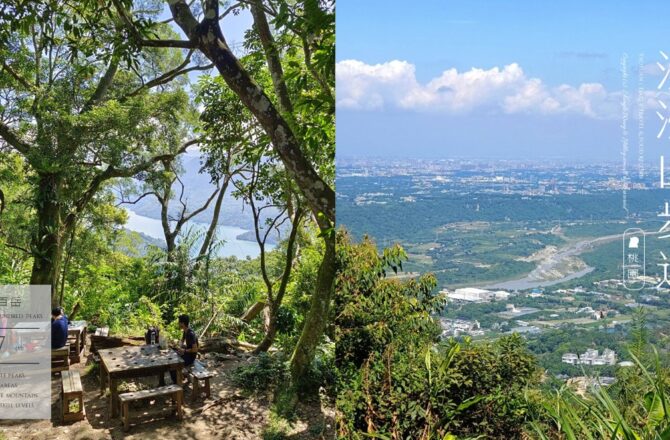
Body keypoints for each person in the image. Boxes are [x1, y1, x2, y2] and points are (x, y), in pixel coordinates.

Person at [170, 314, 199, 384]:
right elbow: (182, 341)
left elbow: (195, 349)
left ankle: (177, 384)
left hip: (191, 357)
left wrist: (184, 350)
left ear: (182, 323)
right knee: (173, 355)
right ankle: (179, 378)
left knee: (173, 365)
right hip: (187, 353)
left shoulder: (190, 334)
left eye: (179, 322)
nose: (178, 324)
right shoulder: (185, 331)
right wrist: (177, 346)